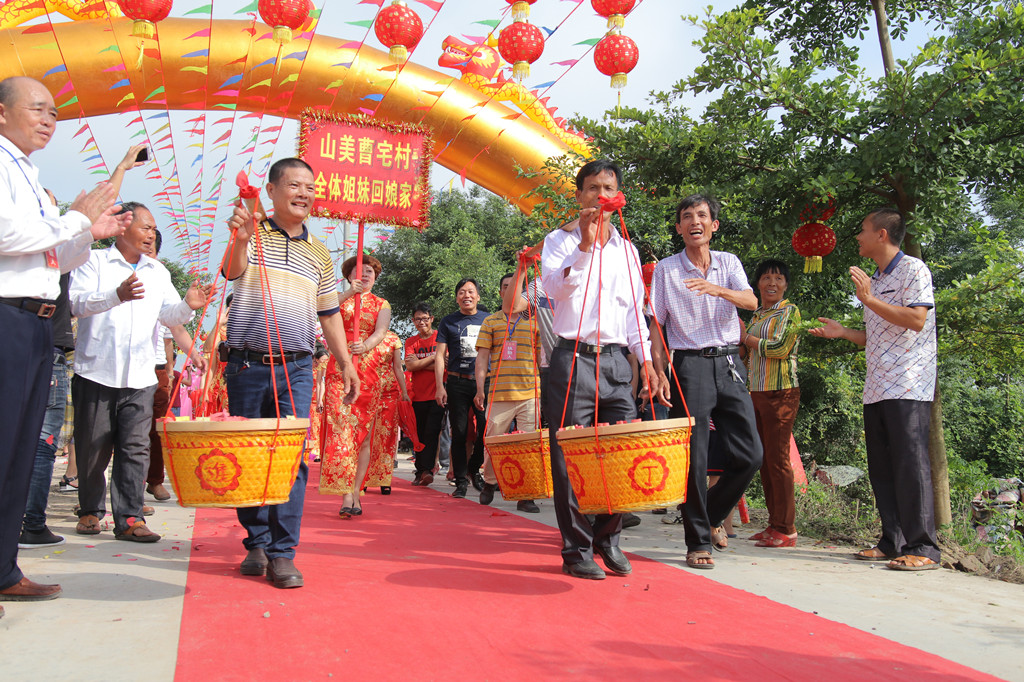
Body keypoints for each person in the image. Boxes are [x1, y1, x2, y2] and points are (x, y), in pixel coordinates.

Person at [0, 75, 131, 614]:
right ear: (2, 112)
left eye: (55, 111)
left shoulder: (29, 174)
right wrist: (72, 218)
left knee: (20, 450)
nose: (50, 119)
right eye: (38, 109)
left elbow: (52, 260)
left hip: (37, 324)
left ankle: (5, 566)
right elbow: (7, 236)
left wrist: (83, 234)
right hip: (6, 317)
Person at [223, 157, 358, 589]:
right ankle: (257, 541)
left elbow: (329, 314)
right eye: (295, 185)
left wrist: (345, 361)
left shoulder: (319, 253)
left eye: (310, 188)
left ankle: (283, 553)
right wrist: (242, 238)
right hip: (246, 363)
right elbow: (230, 271)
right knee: (249, 456)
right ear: (273, 189)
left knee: (292, 459)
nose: (304, 194)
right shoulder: (251, 232)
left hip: (298, 366)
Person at [541, 159, 665, 580]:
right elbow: (553, 289)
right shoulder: (559, 240)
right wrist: (585, 246)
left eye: (606, 188)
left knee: (618, 455)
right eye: (591, 188)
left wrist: (645, 361)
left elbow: (633, 312)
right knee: (569, 459)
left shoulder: (627, 249)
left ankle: (608, 540)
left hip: (615, 361)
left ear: (617, 195)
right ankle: (575, 549)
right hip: (572, 357)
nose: (599, 195)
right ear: (578, 196)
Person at [70, 202, 210, 543]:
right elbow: (75, 303)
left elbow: (169, 316)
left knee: (136, 448)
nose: (151, 235)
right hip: (96, 370)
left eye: (152, 229)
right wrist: (114, 296)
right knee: (92, 446)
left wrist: (187, 306)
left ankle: (130, 517)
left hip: (142, 374)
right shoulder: (95, 260)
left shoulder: (157, 272)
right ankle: (90, 509)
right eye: (145, 228)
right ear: (123, 227)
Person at [810, 208, 940, 571]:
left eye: (863, 230)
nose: (858, 237)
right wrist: (844, 333)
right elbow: (876, 336)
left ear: (882, 234)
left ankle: (924, 547)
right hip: (877, 384)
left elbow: (916, 320)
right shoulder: (877, 279)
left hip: (909, 383)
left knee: (910, 463)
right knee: (882, 466)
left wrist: (868, 300)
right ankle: (892, 540)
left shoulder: (914, 269)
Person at [650, 194, 762, 570]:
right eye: (687, 217)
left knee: (751, 454)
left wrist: (719, 290)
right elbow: (656, 324)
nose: (694, 221)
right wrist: (657, 369)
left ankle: (710, 515)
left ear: (714, 225)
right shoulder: (667, 269)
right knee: (695, 458)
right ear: (679, 228)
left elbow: (750, 301)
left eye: (702, 215)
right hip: (689, 366)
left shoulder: (729, 262)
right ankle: (698, 541)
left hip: (729, 362)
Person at [319, 255, 409, 516]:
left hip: (369, 373)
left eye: (369, 271)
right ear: (349, 276)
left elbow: (381, 331)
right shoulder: (338, 297)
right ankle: (345, 494)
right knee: (341, 430)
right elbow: (323, 310)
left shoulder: (382, 304)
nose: (365, 275)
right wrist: (349, 293)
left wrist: (366, 345)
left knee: (364, 435)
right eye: (359, 271)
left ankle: (357, 492)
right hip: (339, 369)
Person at [742, 259, 801, 548]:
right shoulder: (755, 316)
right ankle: (773, 524)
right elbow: (745, 354)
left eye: (778, 278)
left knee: (778, 460)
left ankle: (786, 528)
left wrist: (746, 339)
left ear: (786, 284)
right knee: (763, 460)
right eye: (766, 278)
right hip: (756, 391)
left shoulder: (789, 311)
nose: (772, 284)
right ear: (757, 284)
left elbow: (780, 348)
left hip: (781, 392)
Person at [475, 272, 541, 513]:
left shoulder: (535, 322)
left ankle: (527, 494)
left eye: (516, 287)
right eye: (506, 287)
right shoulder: (491, 322)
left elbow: (543, 358)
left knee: (529, 445)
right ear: (501, 292)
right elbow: (482, 358)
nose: (510, 290)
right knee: (493, 443)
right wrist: (480, 389)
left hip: (530, 392)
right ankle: (490, 483)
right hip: (499, 393)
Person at [434, 278, 489, 499]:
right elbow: (439, 355)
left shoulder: (489, 320)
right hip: (456, 382)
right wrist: (440, 386)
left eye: (471, 292)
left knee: (486, 429)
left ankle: (474, 469)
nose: (466, 296)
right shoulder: (448, 322)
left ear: (478, 296)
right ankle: (460, 481)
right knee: (458, 432)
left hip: (483, 383)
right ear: (457, 297)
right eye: (462, 292)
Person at [406, 302, 445, 486]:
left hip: (437, 393)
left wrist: (421, 364)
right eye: (417, 319)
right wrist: (434, 358)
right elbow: (411, 366)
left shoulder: (440, 338)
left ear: (431, 319)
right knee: (419, 434)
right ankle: (420, 470)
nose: (421, 322)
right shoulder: (411, 342)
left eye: (424, 318)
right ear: (413, 321)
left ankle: (427, 470)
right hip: (417, 396)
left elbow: (445, 364)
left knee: (432, 432)